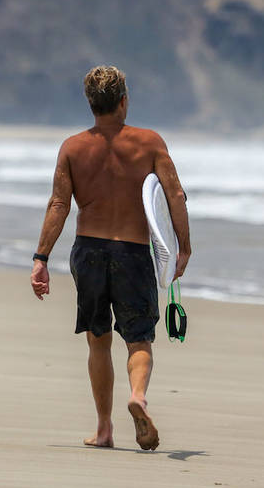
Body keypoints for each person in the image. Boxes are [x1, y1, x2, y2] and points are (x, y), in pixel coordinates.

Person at [30, 65, 191, 450]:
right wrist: (183, 247)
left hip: (88, 251)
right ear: (123, 101)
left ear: (90, 104)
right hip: (132, 252)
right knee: (139, 340)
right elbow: (175, 196)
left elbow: (59, 203)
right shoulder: (149, 143)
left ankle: (104, 429)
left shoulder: (72, 147)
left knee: (98, 341)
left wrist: (40, 258)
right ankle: (137, 396)